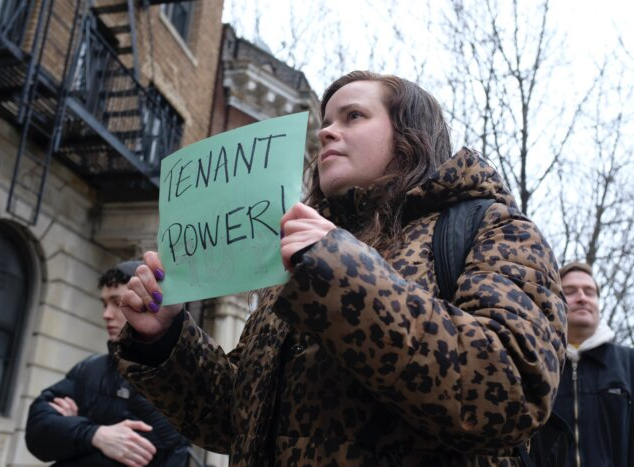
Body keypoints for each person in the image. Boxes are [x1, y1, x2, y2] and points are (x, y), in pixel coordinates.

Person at [114, 71, 567, 466]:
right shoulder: (295, 260)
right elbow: (236, 421)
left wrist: (337, 272)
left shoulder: (491, 228)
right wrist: (166, 340)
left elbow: (510, 395)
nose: (327, 132)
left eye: (353, 117)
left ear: (411, 135)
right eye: (326, 122)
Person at [25, 261, 190, 467]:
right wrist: (95, 434)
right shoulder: (89, 368)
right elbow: (36, 430)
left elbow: (144, 456)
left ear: (148, 305)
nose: (106, 314)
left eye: (117, 302)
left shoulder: (172, 379)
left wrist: (70, 432)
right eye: (104, 304)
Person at [546, 262, 634, 466]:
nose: (582, 297)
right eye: (570, 291)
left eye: (590, 292)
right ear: (554, 302)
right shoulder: (536, 369)